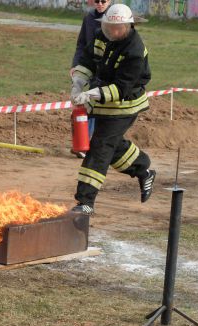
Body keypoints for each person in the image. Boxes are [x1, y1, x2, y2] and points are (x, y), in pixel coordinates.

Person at [69, 4, 156, 215]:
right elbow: (88, 59)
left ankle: (85, 201)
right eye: (109, 27)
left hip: (124, 104)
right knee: (111, 144)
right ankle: (143, 169)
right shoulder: (102, 35)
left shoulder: (135, 51)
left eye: (117, 28)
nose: (112, 32)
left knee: (100, 147)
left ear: (127, 26)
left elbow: (121, 88)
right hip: (103, 100)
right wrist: (78, 82)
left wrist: (90, 94)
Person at [69, 0, 111, 159]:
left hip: (107, 69)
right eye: (97, 0)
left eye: (103, 1)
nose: (100, 4)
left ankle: (91, 143)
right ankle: (83, 143)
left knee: (97, 105)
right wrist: (75, 65)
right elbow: (81, 45)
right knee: (87, 104)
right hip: (90, 67)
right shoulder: (88, 18)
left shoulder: (113, 18)